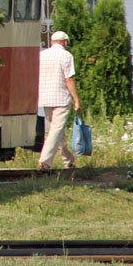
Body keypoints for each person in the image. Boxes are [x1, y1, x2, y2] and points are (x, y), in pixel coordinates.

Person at [38, 29, 82, 171]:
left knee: (56, 131)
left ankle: (68, 160)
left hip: (45, 97)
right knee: (56, 129)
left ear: (52, 41)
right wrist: (76, 99)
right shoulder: (66, 56)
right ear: (65, 42)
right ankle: (45, 162)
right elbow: (68, 79)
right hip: (61, 98)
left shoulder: (42, 55)